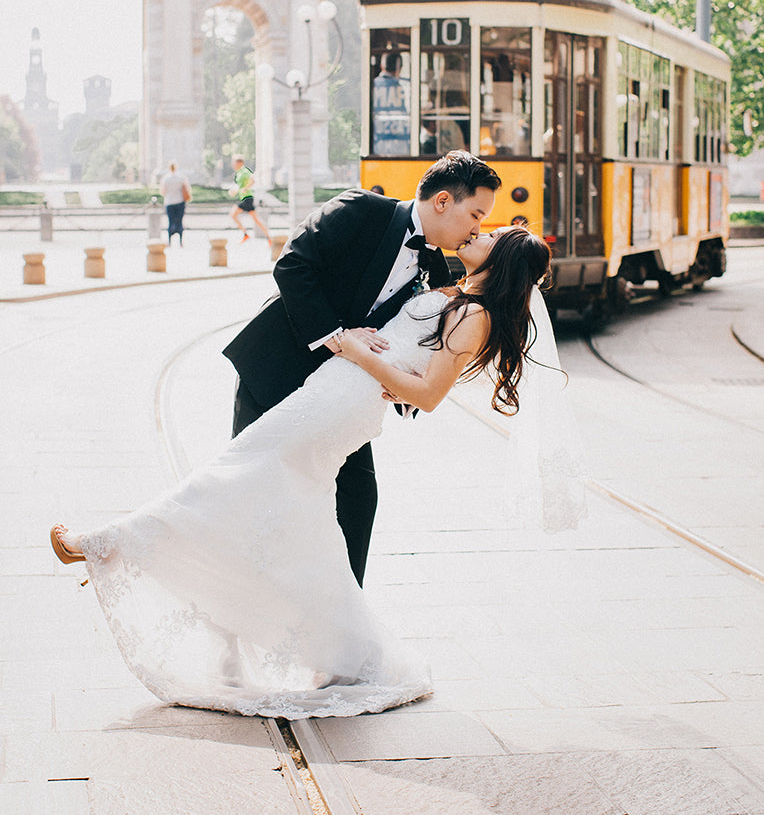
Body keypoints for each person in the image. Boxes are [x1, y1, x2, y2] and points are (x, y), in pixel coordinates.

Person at [50, 225, 580, 720]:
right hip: (336, 394)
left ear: (502, 258)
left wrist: (353, 348)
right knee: (289, 509)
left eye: (491, 233)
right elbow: (412, 368)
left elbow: (428, 396)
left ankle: (104, 543)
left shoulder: (475, 314)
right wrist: (377, 365)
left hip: (340, 400)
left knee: (233, 475)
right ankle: (347, 649)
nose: (478, 230)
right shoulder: (460, 298)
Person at [224, 150, 501, 585]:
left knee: (356, 497)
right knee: (247, 485)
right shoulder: (361, 209)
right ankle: (232, 597)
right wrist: (338, 337)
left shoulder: (434, 266)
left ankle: (344, 614)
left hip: (340, 395)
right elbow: (292, 265)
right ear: (444, 201)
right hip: (275, 369)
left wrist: (404, 386)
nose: (477, 228)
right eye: (477, 214)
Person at [229, 155, 269, 242]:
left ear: (240, 163)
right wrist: (235, 192)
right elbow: (240, 187)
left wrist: (246, 188)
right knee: (256, 220)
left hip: (247, 198)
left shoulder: (244, 171)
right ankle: (269, 237)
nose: (233, 165)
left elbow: (252, 180)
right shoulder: (238, 173)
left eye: (234, 163)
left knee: (233, 214)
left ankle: (245, 234)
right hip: (244, 198)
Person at [161, 161, 191, 246]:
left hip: (169, 202)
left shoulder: (166, 178)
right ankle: (180, 241)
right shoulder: (181, 177)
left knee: (170, 221)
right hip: (180, 201)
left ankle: (169, 241)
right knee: (180, 221)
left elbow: (163, 191)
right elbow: (187, 188)